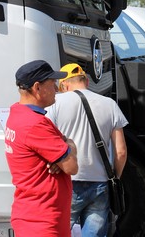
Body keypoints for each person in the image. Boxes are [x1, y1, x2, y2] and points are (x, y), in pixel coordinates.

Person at [46, 63, 128, 237]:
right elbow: (121, 151)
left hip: (67, 180)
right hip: (100, 183)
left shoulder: (55, 103)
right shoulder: (110, 104)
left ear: (64, 85)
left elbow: (47, 141)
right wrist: (114, 177)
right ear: (87, 82)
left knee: (57, 232)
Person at [5, 60, 79, 237]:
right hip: (42, 222)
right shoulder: (35, 124)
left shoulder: (18, 113)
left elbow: (65, 150)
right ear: (37, 88)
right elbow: (71, 167)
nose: (56, 88)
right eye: (52, 83)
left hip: (35, 217)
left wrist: (65, 147)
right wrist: (68, 146)